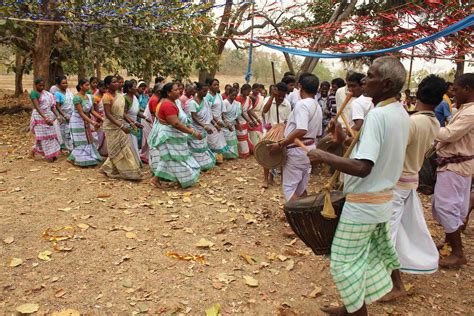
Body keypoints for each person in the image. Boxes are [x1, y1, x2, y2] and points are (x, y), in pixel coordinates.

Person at [307, 57, 409, 316]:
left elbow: (364, 167)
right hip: (382, 201)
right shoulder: (399, 112)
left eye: (370, 76)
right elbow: (367, 154)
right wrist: (340, 139)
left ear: (385, 84)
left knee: (343, 263)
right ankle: (353, 305)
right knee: (367, 256)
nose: (365, 80)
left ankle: (357, 312)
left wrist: (323, 156)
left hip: (363, 205)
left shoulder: (376, 116)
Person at [381, 75, 443, 302]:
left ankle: (396, 285)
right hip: (409, 181)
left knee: (387, 235)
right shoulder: (434, 121)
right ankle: (390, 280)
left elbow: (394, 150)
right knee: (393, 233)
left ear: (416, 95)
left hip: (398, 183)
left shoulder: (414, 122)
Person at [432, 73, 474, 268]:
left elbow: (450, 133)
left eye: (456, 89)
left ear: (468, 90)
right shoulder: (463, 109)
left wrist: (426, 124)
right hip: (453, 165)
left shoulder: (471, 112)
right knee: (452, 206)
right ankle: (450, 243)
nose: (453, 93)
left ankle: (457, 253)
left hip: (456, 166)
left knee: (446, 206)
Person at [268, 74, 323, 201]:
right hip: (309, 149)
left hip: (297, 149)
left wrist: (281, 144)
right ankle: (305, 213)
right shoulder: (317, 106)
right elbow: (318, 132)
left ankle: (300, 217)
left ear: (300, 87)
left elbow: (302, 130)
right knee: (300, 187)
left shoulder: (302, 104)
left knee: (289, 188)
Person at [149, 82, 202, 188]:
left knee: (168, 158)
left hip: (170, 135)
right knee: (176, 158)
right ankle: (184, 178)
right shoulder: (168, 104)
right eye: (176, 90)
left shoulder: (170, 101)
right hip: (168, 136)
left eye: (179, 89)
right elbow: (176, 123)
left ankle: (156, 179)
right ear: (168, 93)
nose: (179, 91)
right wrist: (193, 132)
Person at [100, 76, 143, 180]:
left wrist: (132, 122)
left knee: (124, 147)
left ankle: (127, 170)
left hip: (121, 125)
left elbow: (122, 114)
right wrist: (121, 126)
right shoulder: (106, 96)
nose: (117, 84)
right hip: (112, 127)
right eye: (114, 82)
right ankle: (113, 169)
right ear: (107, 85)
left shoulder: (120, 96)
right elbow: (108, 114)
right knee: (114, 149)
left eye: (117, 82)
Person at [262, 82, 291, 188]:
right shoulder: (268, 100)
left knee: (281, 155)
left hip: (282, 131)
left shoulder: (287, 104)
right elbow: (264, 111)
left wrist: (282, 129)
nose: (280, 98)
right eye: (278, 95)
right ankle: (266, 179)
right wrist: (272, 97)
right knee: (267, 154)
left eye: (283, 96)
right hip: (269, 131)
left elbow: (288, 120)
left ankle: (278, 179)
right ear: (275, 92)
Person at [67, 79, 102, 167]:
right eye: (86, 85)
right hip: (77, 121)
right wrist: (93, 122)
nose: (88, 87)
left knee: (88, 139)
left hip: (86, 120)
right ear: (81, 86)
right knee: (81, 140)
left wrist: (101, 118)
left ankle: (73, 158)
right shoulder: (77, 98)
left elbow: (92, 111)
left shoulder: (90, 96)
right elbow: (81, 113)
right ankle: (80, 159)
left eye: (88, 85)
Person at [29, 78, 61, 162]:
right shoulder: (33, 94)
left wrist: (58, 115)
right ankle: (49, 155)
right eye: (40, 85)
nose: (42, 87)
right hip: (39, 117)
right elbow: (37, 107)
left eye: (43, 85)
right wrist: (45, 118)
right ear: (36, 85)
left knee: (51, 136)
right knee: (44, 137)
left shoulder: (47, 94)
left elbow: (52, 107)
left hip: (49, 116)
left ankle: (36, 152)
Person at [187, 82, 216, 170]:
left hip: (203, 128)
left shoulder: (205, 101)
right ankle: (196, 165)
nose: (205, 93)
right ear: (197, 91)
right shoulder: (192, 103)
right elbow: (194, 116)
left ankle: (204, 164)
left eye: (206, 91)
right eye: (204, 91)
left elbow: (209, 113)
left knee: (203, 146)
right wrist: (204, 126)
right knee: (196, 146)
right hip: (196, 128)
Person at [205, 78, 230, 163]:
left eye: (217, 84)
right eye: (214, 85)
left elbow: (222, 108)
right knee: (212, 140)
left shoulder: (219, 95)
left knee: (219, 140)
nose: (216, 86)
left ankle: (218, 159)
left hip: (219, 121)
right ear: (209, 86)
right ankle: (212, 159)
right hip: (211, 122)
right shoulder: (207, 97)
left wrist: (224, 119)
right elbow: (208, 111)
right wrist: (216, 122)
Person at [123, 80, 146, 164]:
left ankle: (134, 162)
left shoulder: (135, 98)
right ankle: (129, 163)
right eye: (134, 86)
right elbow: (124, 114)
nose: (136, 88)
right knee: (129, 144)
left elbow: (136, 112)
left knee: (134, 143)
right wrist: (133, 122)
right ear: (129, 89)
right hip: (127, 124)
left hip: (133, 124)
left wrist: (145, 117)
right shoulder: (125, 98)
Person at [142, 83, 162, 165]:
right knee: (151, 139)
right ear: (158, 91)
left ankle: (145, 155)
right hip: (149, 121)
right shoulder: (155, 99)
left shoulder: (156, 97)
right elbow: (154, 114)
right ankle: (148, 156)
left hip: (148, 120)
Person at [54, 75, 74, 152]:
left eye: (66, 83)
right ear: (59, 85)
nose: (65, 85)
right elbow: (58, 106)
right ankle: (67, 148)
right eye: (63, 83)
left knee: (70, 132)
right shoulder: (57, 94)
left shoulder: (69, 92)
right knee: (64, 132)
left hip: (71, 115)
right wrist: (64, 115)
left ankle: (70, 148)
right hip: (64, 116)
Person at [235, 84, 257, 158]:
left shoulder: (248, 99)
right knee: (241, 137)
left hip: (245, 121)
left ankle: (245, 151)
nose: (249, 93)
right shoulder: (237, 99)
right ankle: (242, 152)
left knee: (245, 137)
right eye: (248, 91)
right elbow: (239, 112)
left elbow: (250, 110)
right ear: (243, 90)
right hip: (238, 120)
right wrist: (249, 120)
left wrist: (256, 119)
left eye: (250, 91)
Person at [222, 87, 241, 159]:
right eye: (233, 95)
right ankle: (226, 156)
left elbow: (236, 116)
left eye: (235, 95)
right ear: (229, 94)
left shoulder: (236, 103)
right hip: (225, 125)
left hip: (232, 124)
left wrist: (238, 124)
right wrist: (227, 124)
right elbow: (223, 114)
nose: (234, 97)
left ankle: (232, 155)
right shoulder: (224, 102)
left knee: (232, 141)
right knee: (226, 140)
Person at [92, 81, 108, 156]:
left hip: (105, 117)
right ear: (98, 88)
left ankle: (103, 150)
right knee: (99, 135)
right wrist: (100, 119)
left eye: (105, 88)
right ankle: (97, 149)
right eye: (103, 88)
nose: (105, 90)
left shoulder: (105, 95)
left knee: (105, 135)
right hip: (98, 118)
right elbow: (96, 111)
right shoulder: (96, 97)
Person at [136, 81, 150, 148]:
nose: (143, 90)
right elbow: (137, 107)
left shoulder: (144, 96)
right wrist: (144, 110)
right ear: (138, 87)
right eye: (142, 88)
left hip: (143, 115)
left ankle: (140, 144)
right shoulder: (136, 96)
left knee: (142, 129)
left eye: (144, 89)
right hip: (138, 114)